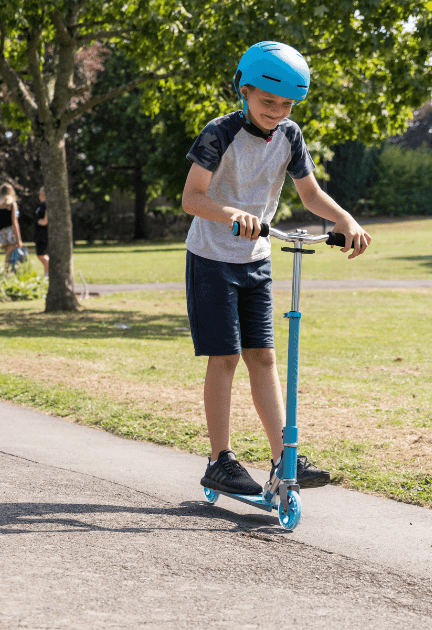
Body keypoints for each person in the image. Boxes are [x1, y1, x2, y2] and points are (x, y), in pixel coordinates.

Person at [180, 41, 372, 496]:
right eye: (269, 101)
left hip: (256, 261)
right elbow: (192, 197)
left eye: (287, 104)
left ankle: (284, 459)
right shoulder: (219, 132)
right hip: (211, 258)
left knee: (263, 357)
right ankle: (220, 460)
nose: (278, 111)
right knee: (224, 357)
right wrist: (231, 215)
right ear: (243, 89)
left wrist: (344, 219)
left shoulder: (289, 135)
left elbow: (310, 194)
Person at [0, 183, 24, 270]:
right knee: (10, 252)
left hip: (1, 232)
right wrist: (19, 240)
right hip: (10, 231)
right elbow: (14, 222)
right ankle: (7, 270)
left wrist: (0, 222)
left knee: (8, 252)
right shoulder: (11, 204)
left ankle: (12, 269)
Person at [33, 187, 49, 276]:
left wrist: (44, 221)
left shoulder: (45, 205)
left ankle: (47, 275)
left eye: (40, 193)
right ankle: (48, 273)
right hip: (39, 233)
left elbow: (48, 212)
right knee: (44, 254)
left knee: (41, 255)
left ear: (43, 194)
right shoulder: (40, 205)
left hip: (43, 234)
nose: (39, 195)